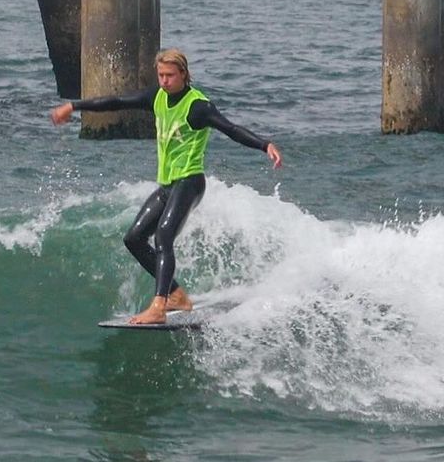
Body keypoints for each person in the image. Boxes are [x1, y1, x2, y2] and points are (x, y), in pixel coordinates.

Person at [50, 48, 283, 324]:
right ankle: (176, 295)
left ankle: (159, 307)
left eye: (170, 75)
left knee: (163, 237)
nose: (164, 81)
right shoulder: (157, 97)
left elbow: (230, 129)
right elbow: (116, 101)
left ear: (183, 74)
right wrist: (75, 106)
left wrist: (264, 145)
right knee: (134, 239)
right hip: (167, 185)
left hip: (190, 182)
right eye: (160, 75)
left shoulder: (198, 106)